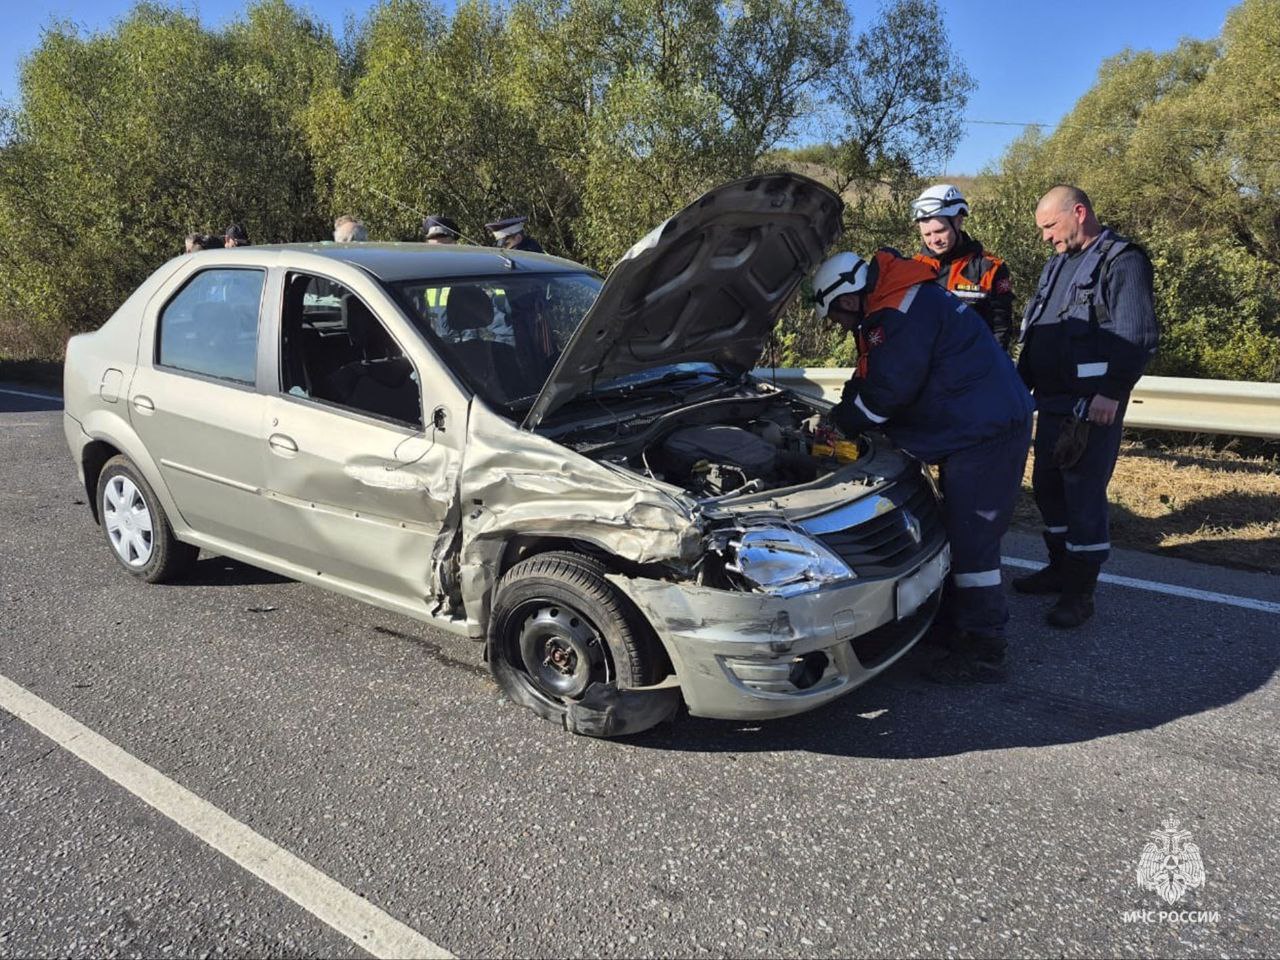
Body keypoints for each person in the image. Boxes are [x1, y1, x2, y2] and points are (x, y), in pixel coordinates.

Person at [811, 248, 1034, 684]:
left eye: (837, 316)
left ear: (850, 297)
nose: (840, 326)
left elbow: (887, 392)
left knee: (973, 540)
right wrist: (845, 408)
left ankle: (984, 648)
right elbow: (873, 371)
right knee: (950, 529)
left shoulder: (898, 309)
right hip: (973, 421)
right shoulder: (893, 298)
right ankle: (951, 622)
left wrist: (841, 425)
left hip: (985, 430)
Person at [1013, 185, 1158, 628]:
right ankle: (1059, 570)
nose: (1045, 237)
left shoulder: (1123, 261)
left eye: (1050, 226)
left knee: (1082, 497)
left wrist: (1111, 392)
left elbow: (1137, 335)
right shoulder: (1057, 264)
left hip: (1089, 408)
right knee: (1048, 489)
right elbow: (1040, 330)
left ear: (1079, 213)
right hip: (1052, 403)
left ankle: (1080, 594)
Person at [910, 183, 1015, 349]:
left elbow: (1000, 329)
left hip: (974, 367)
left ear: (958, 221)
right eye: (927, 234)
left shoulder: (989, 267)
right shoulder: (912, 268)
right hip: (924, 368)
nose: (934, 240)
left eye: (940, 231)